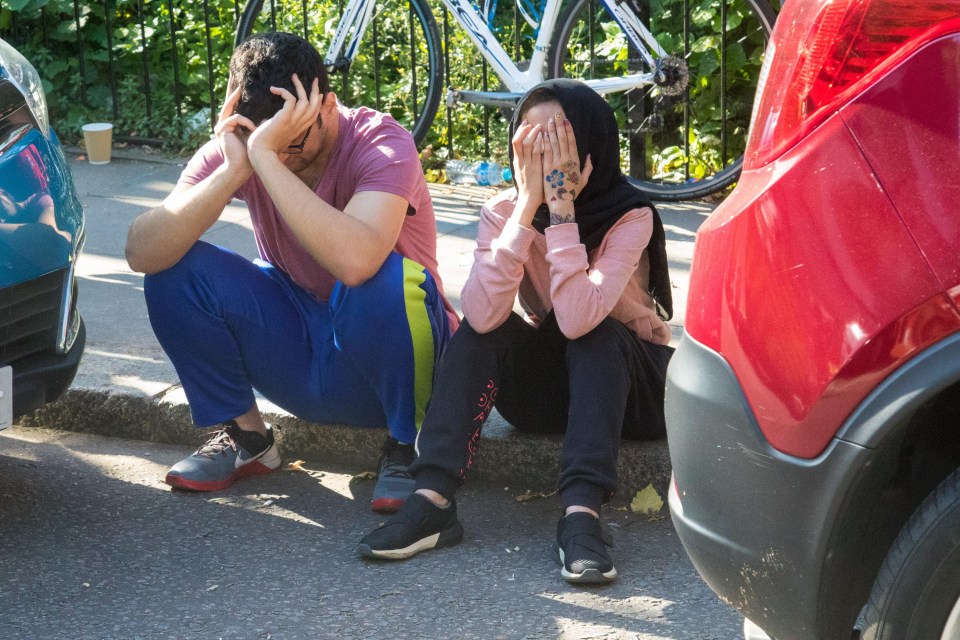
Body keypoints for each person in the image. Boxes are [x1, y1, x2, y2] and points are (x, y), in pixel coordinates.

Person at [124, 32, 458, 513]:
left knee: (380, 280)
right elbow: (142, 251)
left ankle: (409, 449)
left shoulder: (383, 142)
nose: (281, 154)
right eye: (265, 143)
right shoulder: (243, 148)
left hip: (393, 358)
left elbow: (357, 261)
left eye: (291, 141)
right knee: (174, 271)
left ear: (327, 105)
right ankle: (248, 439)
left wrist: (264, 159)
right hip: (303, 348)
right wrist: (236, 168)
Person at [357, 79, 674, 582]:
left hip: (629, 391)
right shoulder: (504, 210)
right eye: (530, 140)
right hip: (549, 394)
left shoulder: (629, 215)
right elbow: (480, 315)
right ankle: (432, 499)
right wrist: (527, 210)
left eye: (557, 139)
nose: (543, 155)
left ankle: (582, 516)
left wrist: (563, 213)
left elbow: (578, 317)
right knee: (488, 328)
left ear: (589, 144)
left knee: (594, 333)